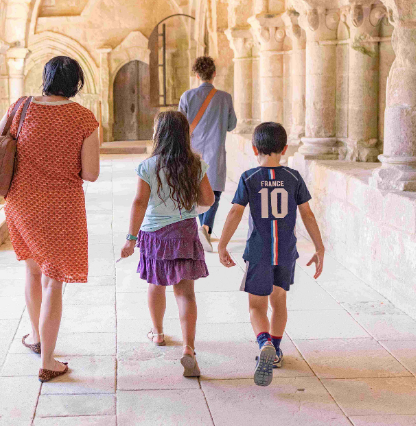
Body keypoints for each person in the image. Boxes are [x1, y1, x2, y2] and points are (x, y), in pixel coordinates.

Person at [0, 56, 100, 382]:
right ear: (76, 84)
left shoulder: (20, 107)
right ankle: (49, 360)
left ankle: (37, 337)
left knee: (33, 268)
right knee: (54, 279)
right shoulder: (83, 118)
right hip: (61, 207)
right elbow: (91, 174)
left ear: (46, 77)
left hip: (22, 203)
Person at [217, 122, 324, 387]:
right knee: (279, 301)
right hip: (286, 251)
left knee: (256, 305)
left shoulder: (249, 177)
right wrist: (320, 247)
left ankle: (264, 341)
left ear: (255, 148)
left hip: (259, 251)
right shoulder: (294, 177)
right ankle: (275, 350)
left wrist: (222, 244)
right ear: (285, 148)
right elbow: (307, 214)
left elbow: (235, 212)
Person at [120, 111, 215, 377]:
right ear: (184, 134)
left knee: (156, 285)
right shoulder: (195, 164)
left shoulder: (149, 166)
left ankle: (159, 333)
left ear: (158, 134)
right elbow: (208, 199)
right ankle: (188, 348)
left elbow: (139, 202)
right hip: (184, 232)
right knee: (186, 293)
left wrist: (131, 238)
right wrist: (187, 210)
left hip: (155, 235)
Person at [179, 56, 237, 252]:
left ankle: (202, 229)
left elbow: (180, 126)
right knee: (215, 192)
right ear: (214, 74)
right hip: (215, 152)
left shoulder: (186, 97)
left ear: (196, 75)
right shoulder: (225, 97)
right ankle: (205, 229)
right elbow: (232, 125)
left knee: (196, 192)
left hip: (192, 152)